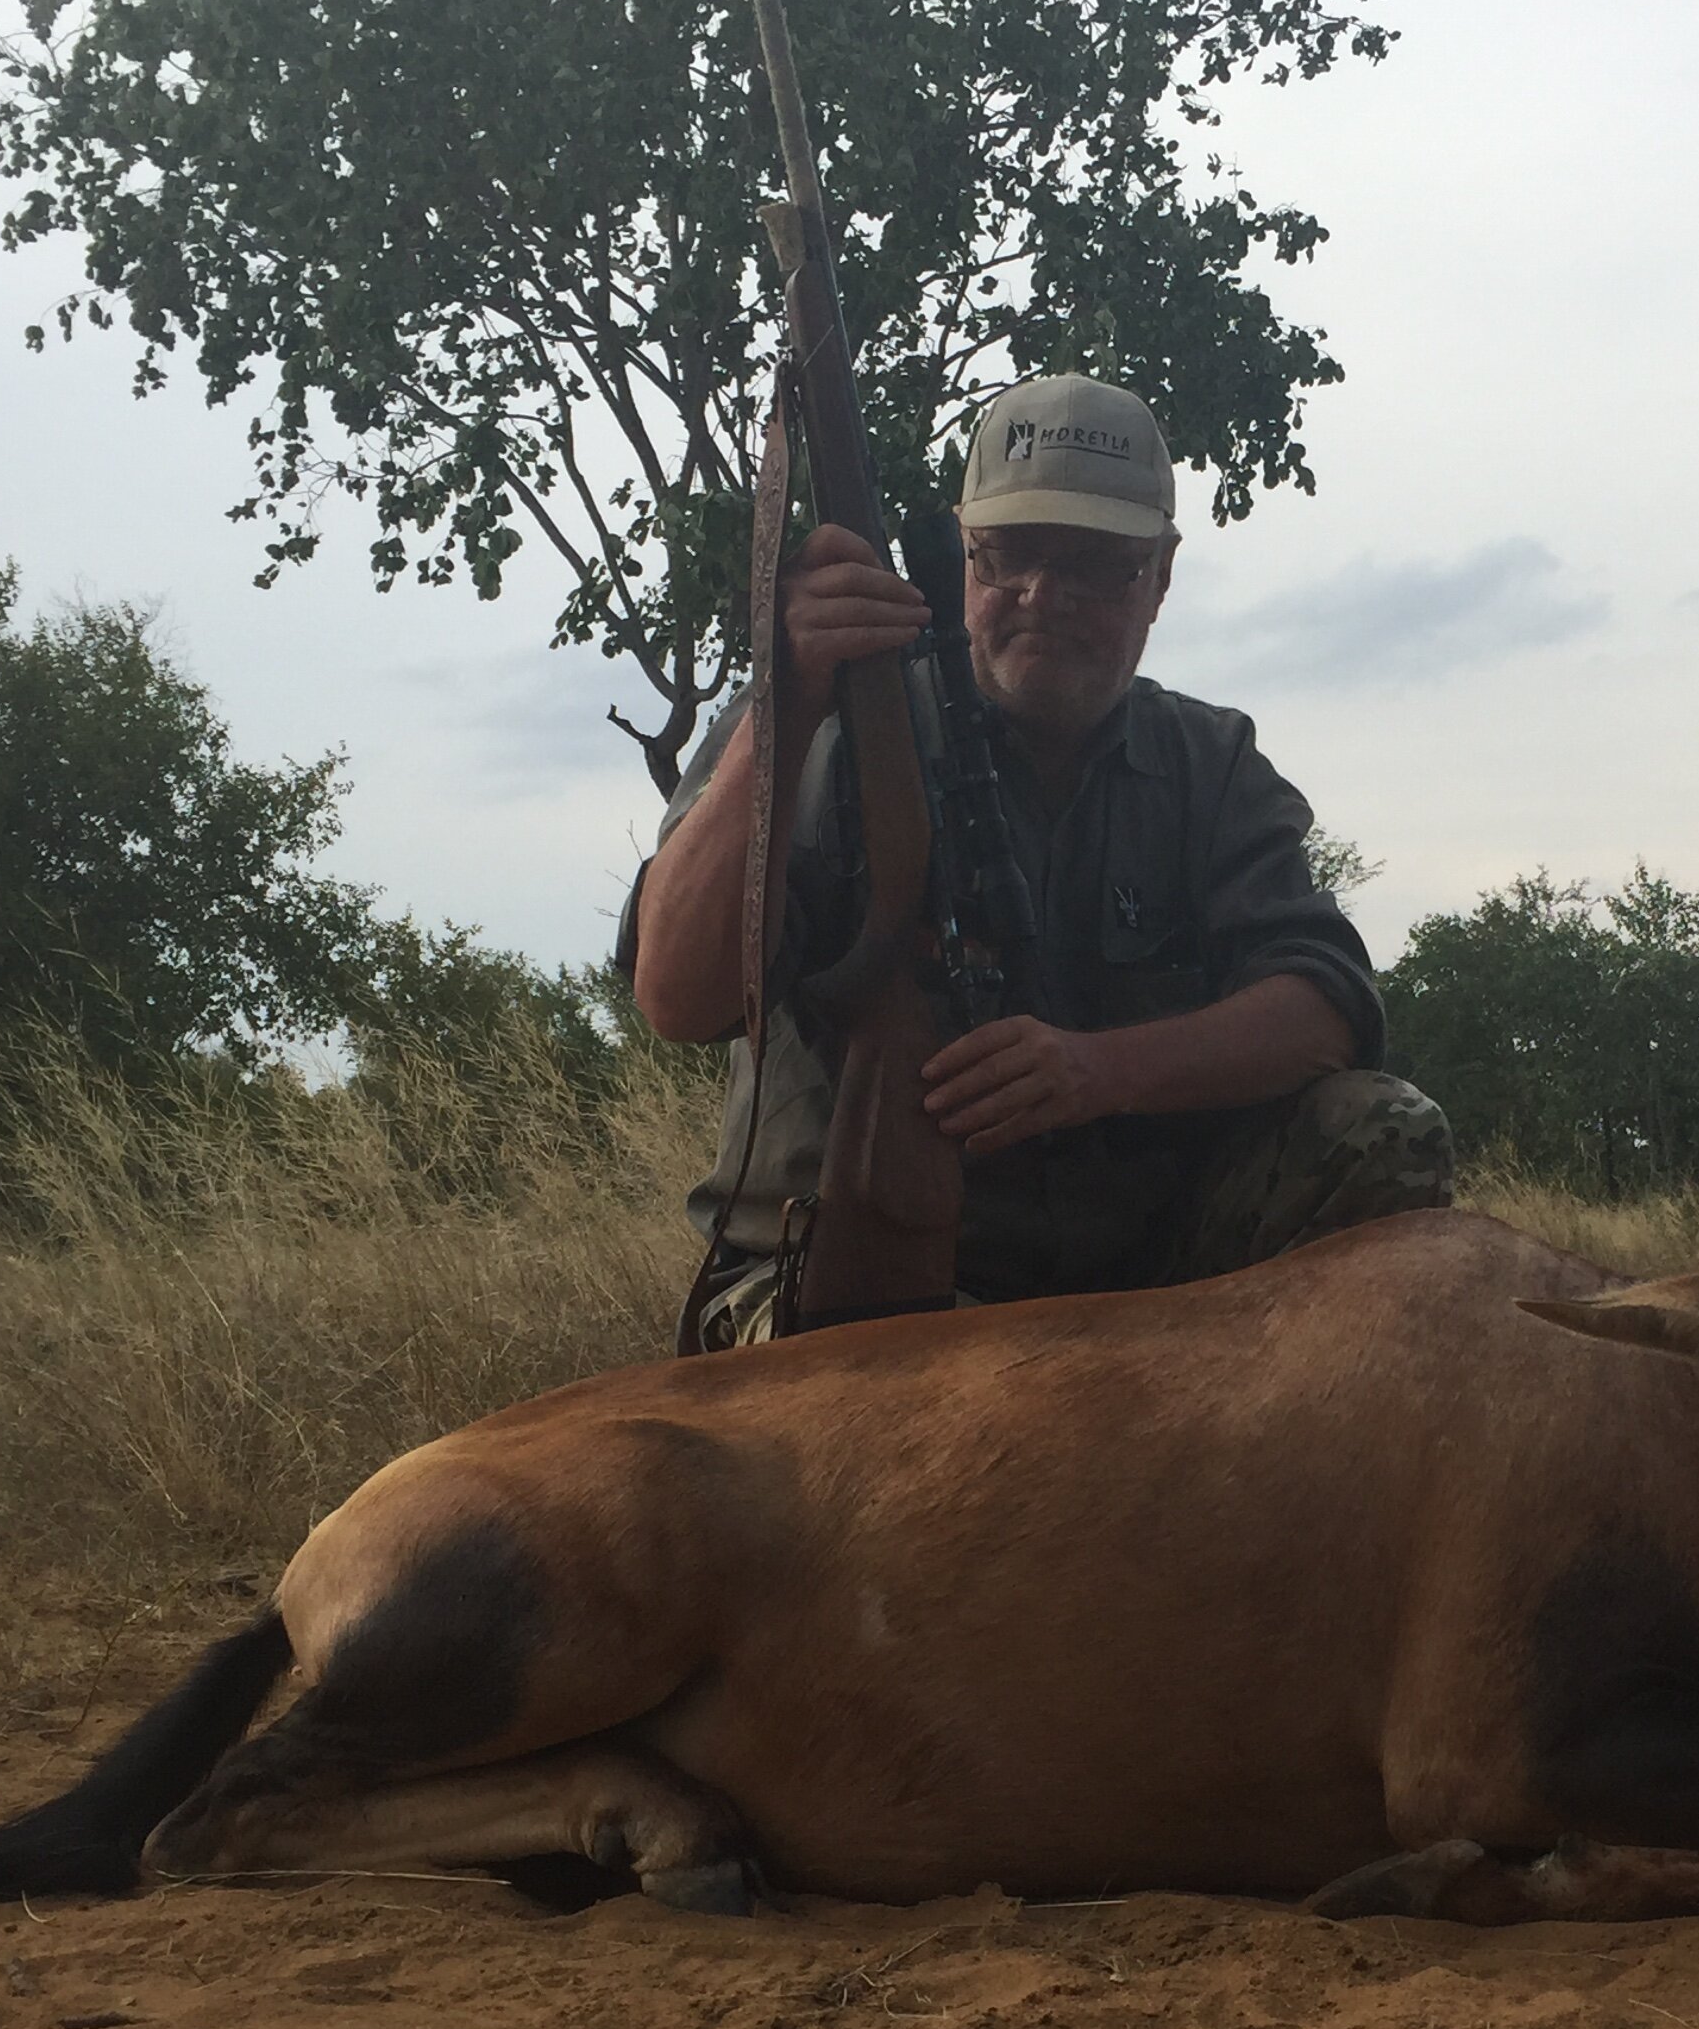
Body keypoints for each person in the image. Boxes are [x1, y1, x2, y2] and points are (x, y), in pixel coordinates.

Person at [618, 373, 1449, 1342]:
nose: (1042, 597)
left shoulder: (1209, 764)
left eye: (1095, 567)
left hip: (1138, 1287)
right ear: (962, 556)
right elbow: (678, 1000)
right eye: (1007, 557)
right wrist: (782, 707)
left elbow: (1324, 1011)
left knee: (1382, 1130)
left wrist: (1098, 1071)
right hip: (836, 1284)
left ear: (1162, 575)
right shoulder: (824, 726)